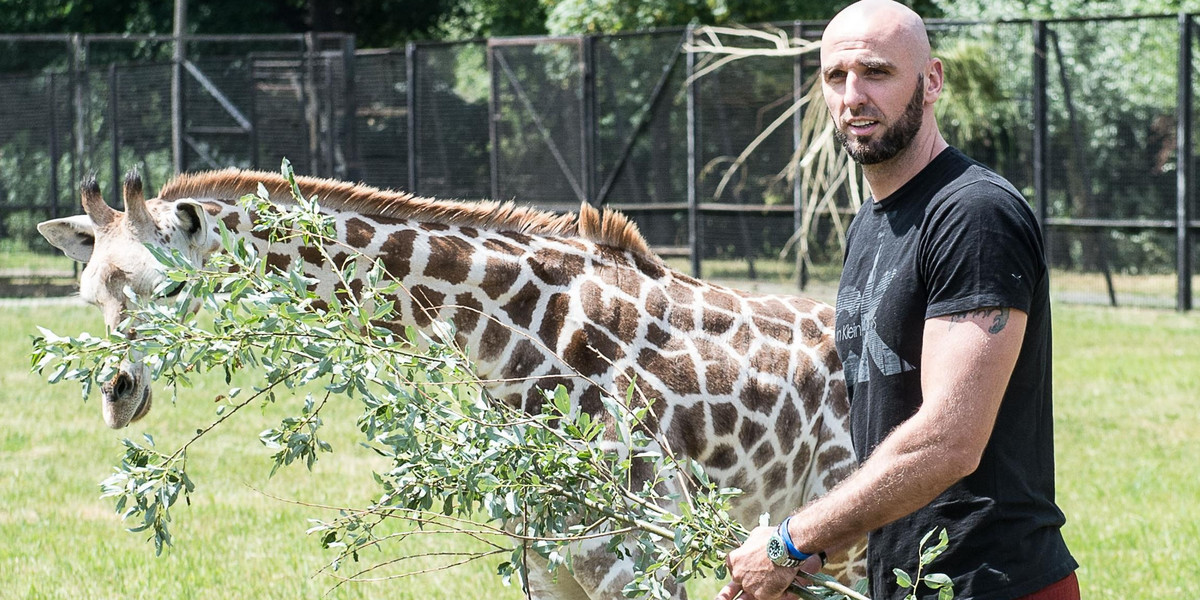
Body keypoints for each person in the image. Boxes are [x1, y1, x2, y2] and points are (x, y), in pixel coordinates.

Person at [715, 1, 1078, 599]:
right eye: (836, 77)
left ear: (930, 80)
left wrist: (790, 541)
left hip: (993, 584)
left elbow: (949, 440)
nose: (853, 95)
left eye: (876, 72)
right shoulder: (872, 222)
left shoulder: (973, 215)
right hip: (910, 582)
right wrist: (824, 546)